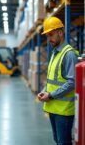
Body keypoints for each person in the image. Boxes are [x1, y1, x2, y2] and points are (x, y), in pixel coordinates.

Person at [37, 17, 79, 145]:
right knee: (58, 140)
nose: (49, 39)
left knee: (63, 143)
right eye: (47, 35)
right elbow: (52, 80)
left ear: (60, 32)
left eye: (51, 34)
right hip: (54, 108)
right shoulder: (55, 53)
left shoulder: (69, 54)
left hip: (64, 111)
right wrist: (44, 91)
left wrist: (50, 95)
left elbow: (72, 82)